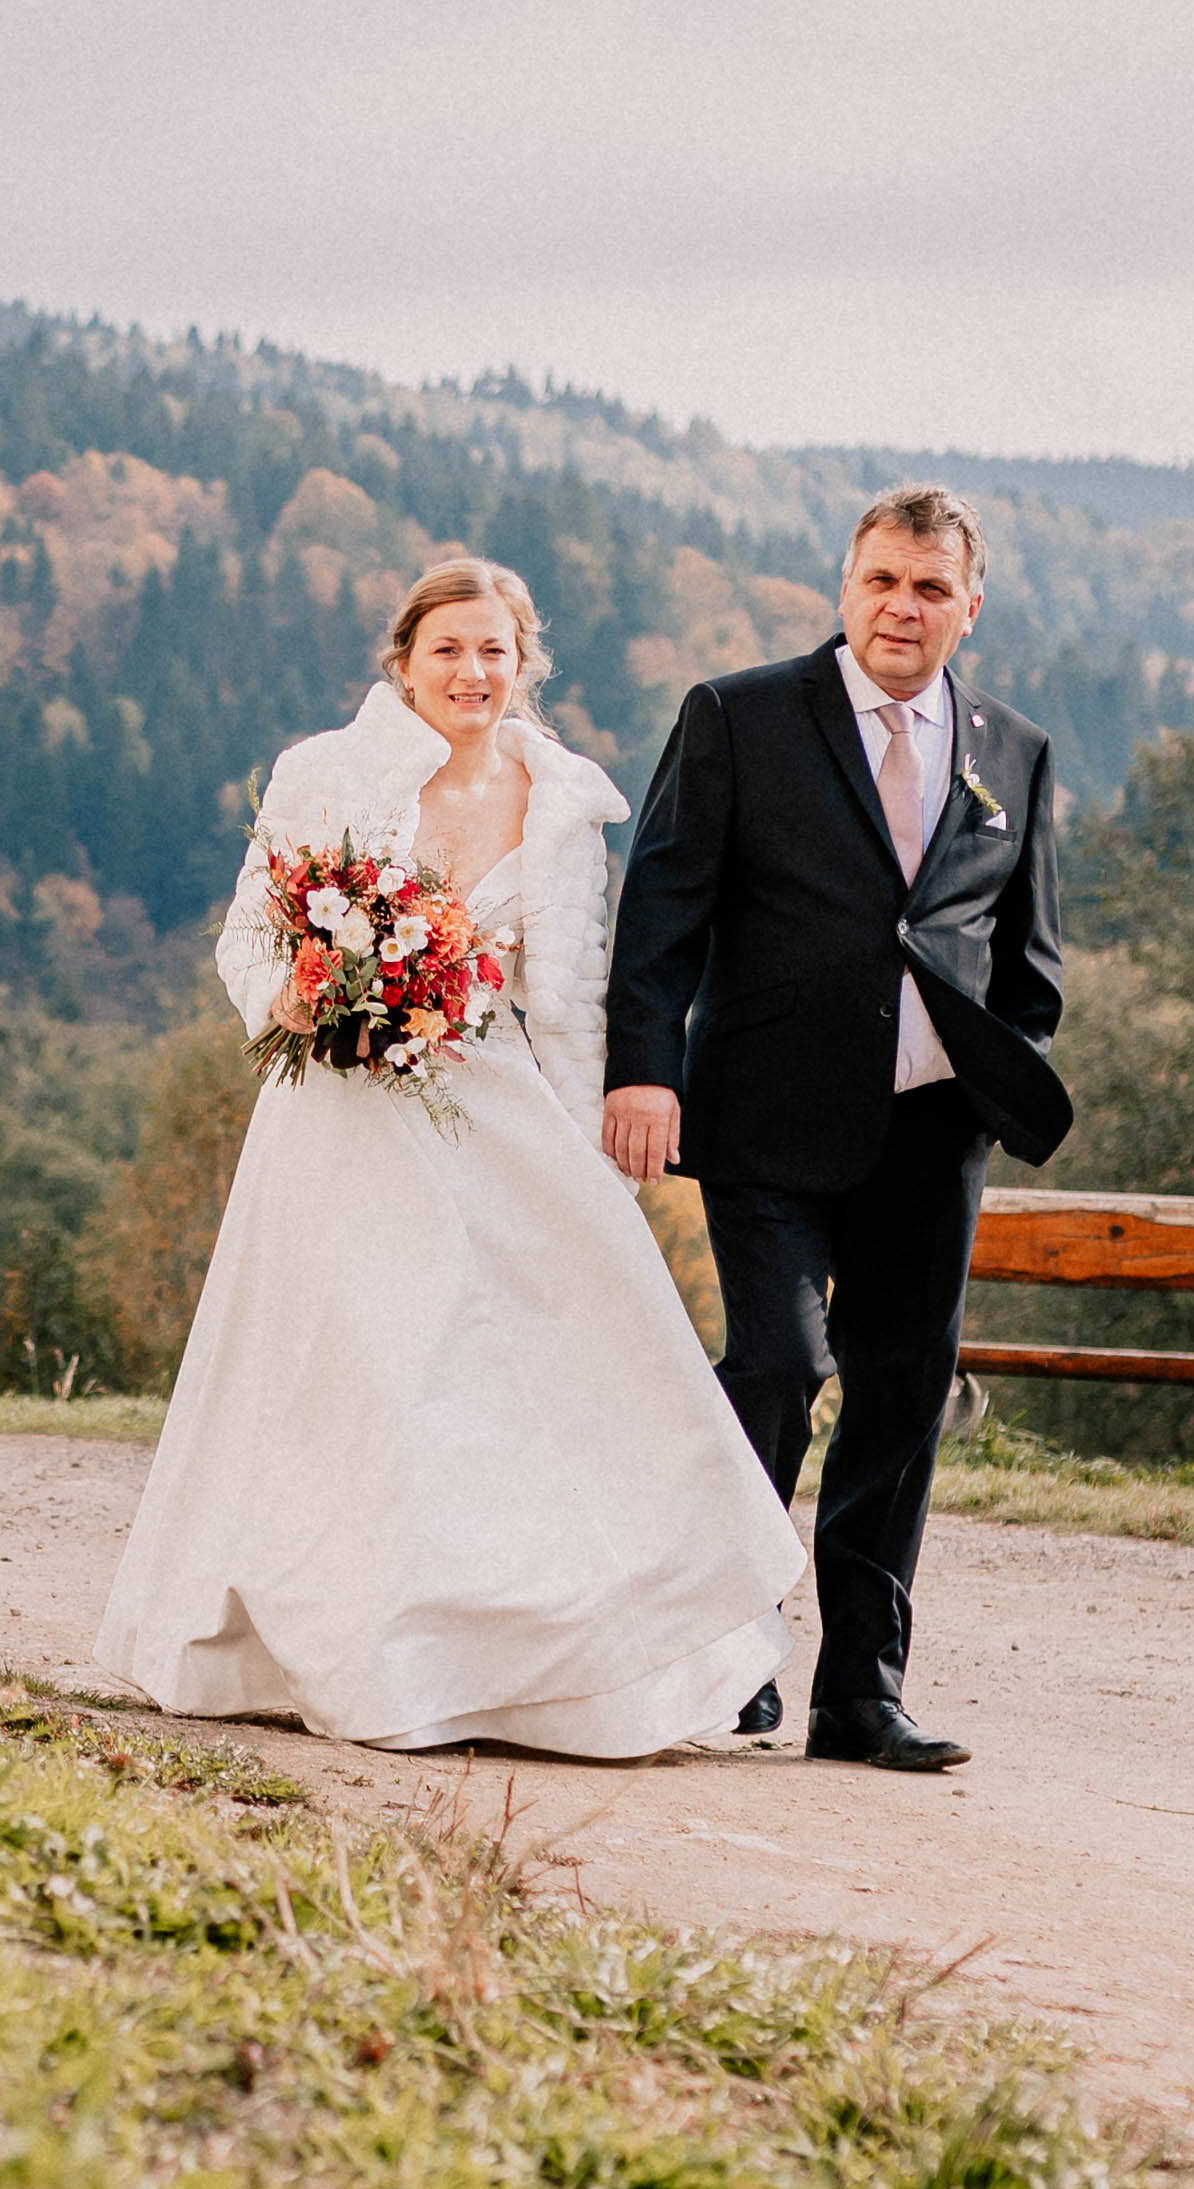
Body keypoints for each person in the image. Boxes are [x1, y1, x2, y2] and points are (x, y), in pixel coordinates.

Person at [91, 558, 801, 1753]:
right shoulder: (322, 773)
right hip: (342, 1111)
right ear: (404, 662)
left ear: (524, 666)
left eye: (493, 653)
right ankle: (361, 1647)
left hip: (493, 1104)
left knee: (546, 1367)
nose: (472, 673)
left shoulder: (562, 802)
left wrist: (587, 1156)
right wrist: (306, 998)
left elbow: (568, 993)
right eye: (448, 651)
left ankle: (534, 1657)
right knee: (373, 1372)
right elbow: (247, 937)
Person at [600, 488, 1073, 1774]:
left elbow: (1026, 953)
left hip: (934, 1132)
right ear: (845, 585)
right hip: (765, 1117)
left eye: (929, 589)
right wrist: (642, 1074)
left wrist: (1001, 1076)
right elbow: (662, 910)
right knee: (776, 1363)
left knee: (902, 1396)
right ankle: (724, 1648)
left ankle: (860, 1694)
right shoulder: (738, 715)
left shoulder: (1014, 751)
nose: (900, 608)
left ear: (969, 607)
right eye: (880, 581)